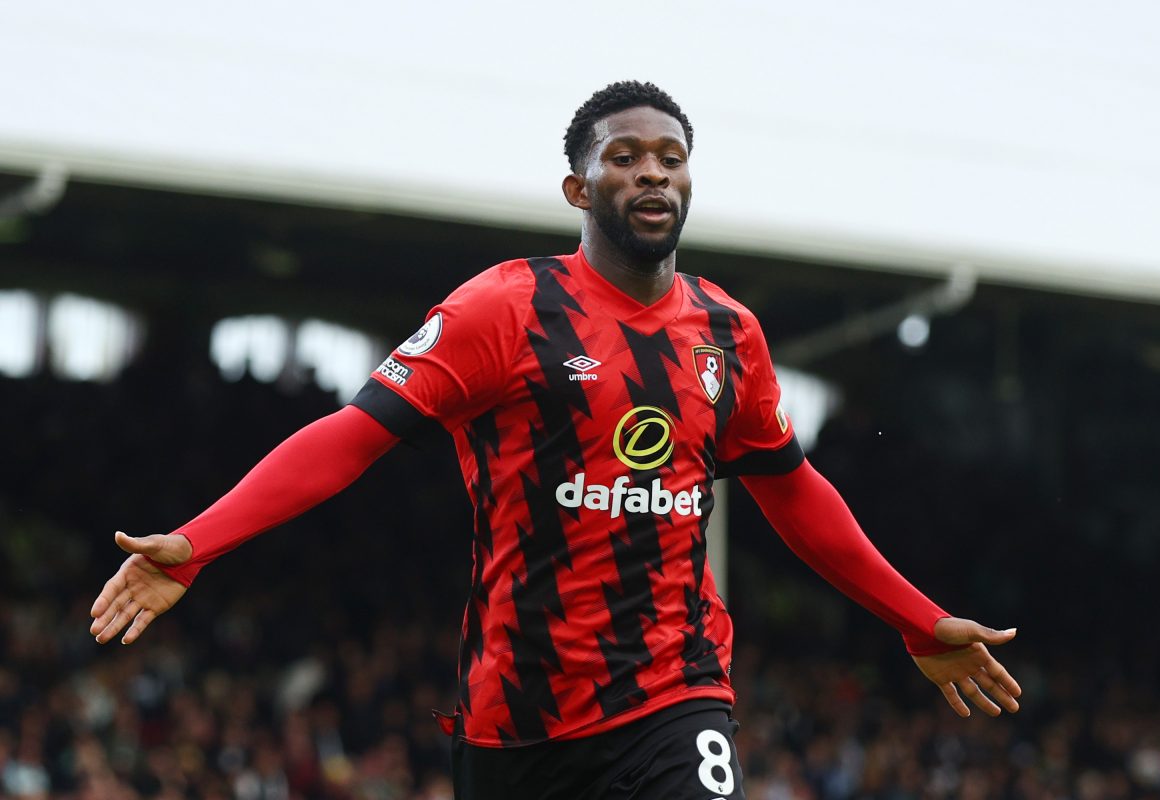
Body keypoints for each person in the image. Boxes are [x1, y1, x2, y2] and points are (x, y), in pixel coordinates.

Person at [89, 81, 1021, 799]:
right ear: (579, 185)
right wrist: (198, 543)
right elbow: (350, 438)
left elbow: (794, 492)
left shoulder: (729, 333)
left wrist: (916, 616)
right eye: (625, 157)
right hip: (514, 721)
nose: (652, 172)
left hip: (676, 690)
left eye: (671, 157)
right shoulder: (504, 309)